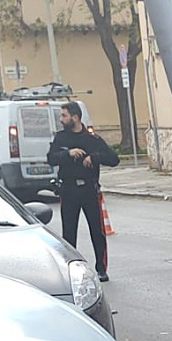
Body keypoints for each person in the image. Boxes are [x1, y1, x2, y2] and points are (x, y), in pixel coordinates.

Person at [46, 102, 119, 282]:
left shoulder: (92, 139)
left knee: (97, 230)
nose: (61, 119)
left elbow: (114, 159)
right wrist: (68, 154)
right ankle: (71, 268)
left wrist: (93, 158)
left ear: (75, 118)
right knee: (69, 232)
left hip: (89, 190)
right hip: (68, 190)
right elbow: (51, 159)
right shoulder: (61, 139)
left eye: (64, 116)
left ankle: (101, 269)